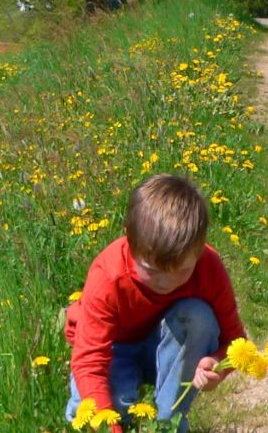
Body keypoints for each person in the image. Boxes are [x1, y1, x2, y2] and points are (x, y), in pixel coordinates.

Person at [63, 174, 246, 431]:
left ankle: (167, 422)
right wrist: (110, 426)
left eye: (182, 270)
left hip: (164, 347)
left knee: (198, 316)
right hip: (115, 348)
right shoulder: (108, 275)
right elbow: (90, 363)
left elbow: (236, 340)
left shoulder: (208, 267)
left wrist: (217, 365)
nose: (165, 283)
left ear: (200, 249)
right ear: (129, 239)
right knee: (100, 408)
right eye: (151, 270)